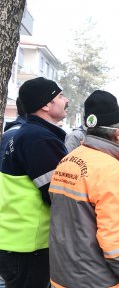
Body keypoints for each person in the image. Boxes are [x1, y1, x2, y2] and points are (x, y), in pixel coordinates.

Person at [49, 90, 119, 288]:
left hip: (62, 277)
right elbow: (117, 246)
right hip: (98, 281)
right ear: (118, 134)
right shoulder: (113, 173)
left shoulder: (68, 160)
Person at [0, 77, 69, 288]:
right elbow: (58, 195)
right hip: (29, 246)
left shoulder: (22, 134)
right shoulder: (39, 139)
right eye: (60, 96)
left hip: (13, 239)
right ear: (46, 105)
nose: (66, 100)